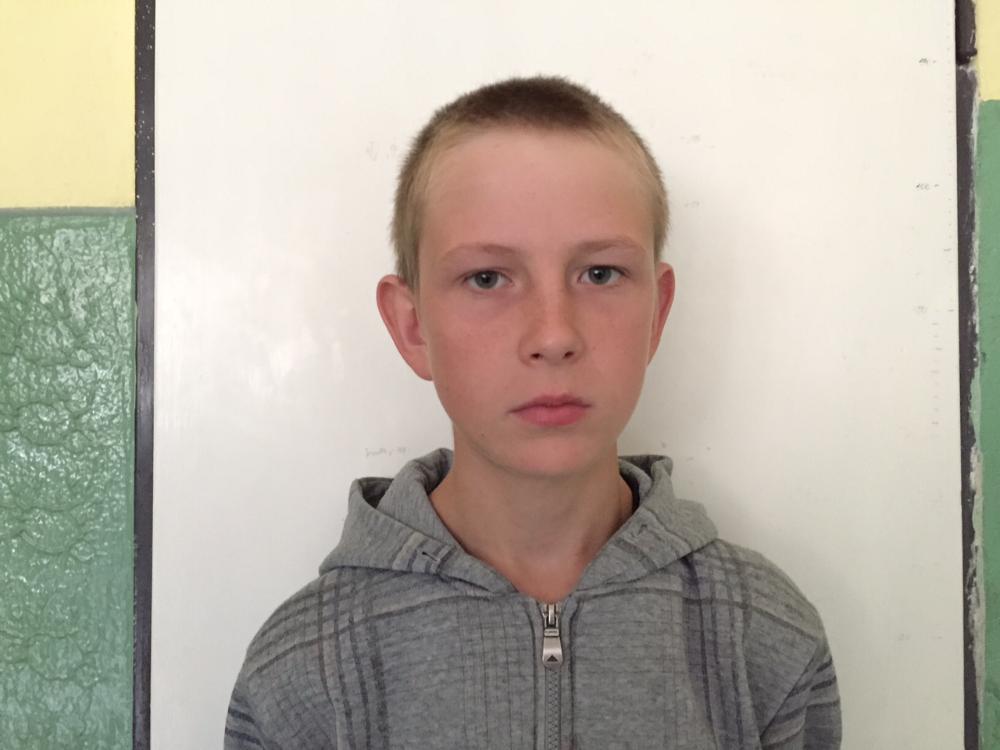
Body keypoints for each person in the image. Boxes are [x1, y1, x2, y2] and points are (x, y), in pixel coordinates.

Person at [224, 76, 841, 749]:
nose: (553, 335)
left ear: (657, 314)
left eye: (600, 273)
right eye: (487, 278)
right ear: (412, 326)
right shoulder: (301, 672)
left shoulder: (763, 636)